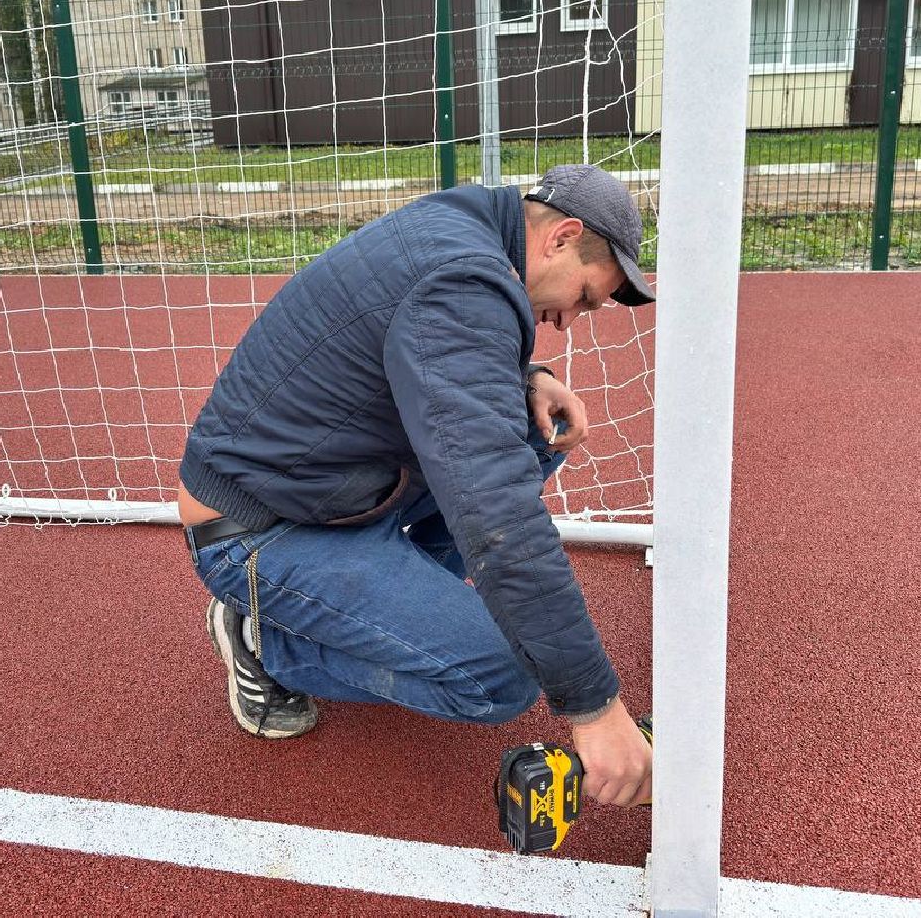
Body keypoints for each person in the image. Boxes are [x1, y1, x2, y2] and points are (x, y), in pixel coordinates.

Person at [178, 163, 655, 808]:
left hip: (332, 491)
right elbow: (497, 512)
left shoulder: (461, 228)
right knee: (504, 679)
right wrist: (595, 707)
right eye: (586, 297)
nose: (570, 319)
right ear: (562, 237)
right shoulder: (461, 282)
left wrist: (525, 373)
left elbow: (418, 335)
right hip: (261, 530)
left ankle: (377, 599)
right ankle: (268, 643)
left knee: (531, 433)